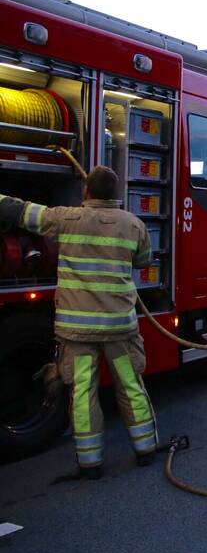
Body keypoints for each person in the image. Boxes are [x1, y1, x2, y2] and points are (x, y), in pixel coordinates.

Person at [0, 166, 156, 479]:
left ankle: (90, 463)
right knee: (131, 385)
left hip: (78, 331)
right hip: (119, 329)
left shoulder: (66, 219)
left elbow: (21, 213)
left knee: (83, 391)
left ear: (86, 192)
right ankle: (145, 450)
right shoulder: (133, 225)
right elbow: (143, 260)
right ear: (115, 195)